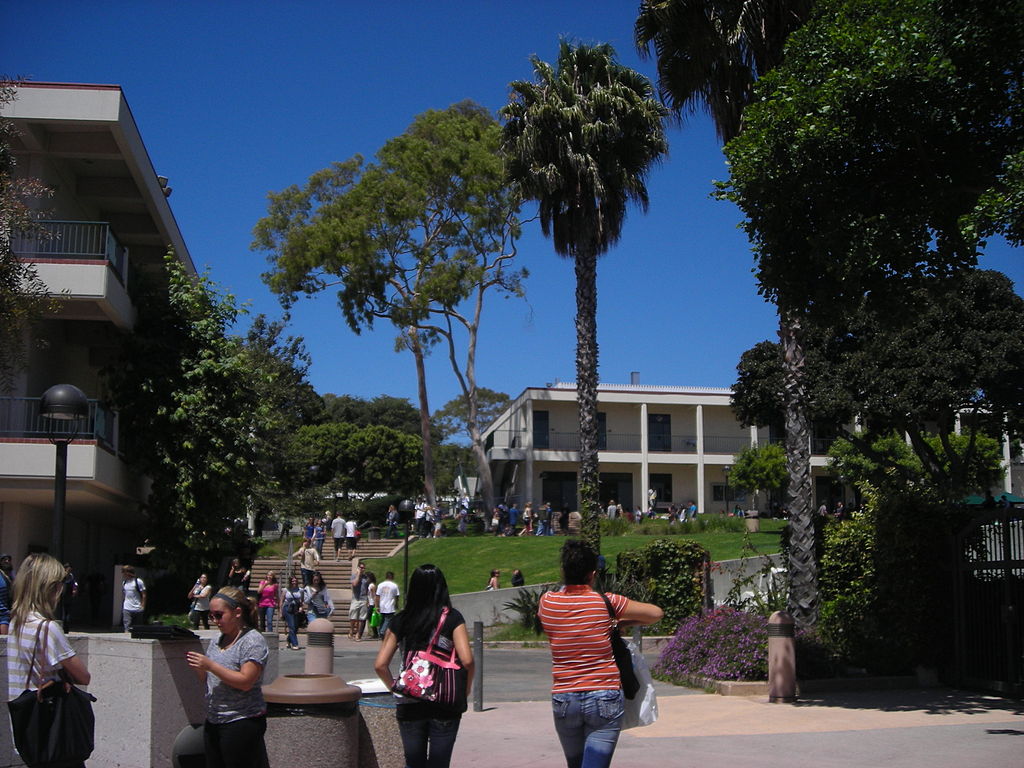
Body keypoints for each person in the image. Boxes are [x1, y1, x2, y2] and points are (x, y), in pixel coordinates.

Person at [539, 540, 663, 768]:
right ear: (592, 574)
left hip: (565, 697)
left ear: (563, 571)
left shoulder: (547, 603)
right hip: (603, 696)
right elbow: (656, 613)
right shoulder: (607, 602)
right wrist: (616, 622)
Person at [373, 564, 474, 768]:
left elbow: (380, 664)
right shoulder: (453, 618)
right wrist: (466, 689)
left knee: (414, 762)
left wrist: (395, 686)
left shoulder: (401, 620)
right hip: (445, 701)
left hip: (410, 701)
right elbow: (468, 660)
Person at [7, 553, 91, 767]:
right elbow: (83, 676)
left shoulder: (16, 622)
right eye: (58, 584)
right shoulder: (48, 628)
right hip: (52, 728)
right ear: (50, 588)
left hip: (27, 723)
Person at [186, 586, 269, 768]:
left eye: (219, 615)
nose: (215, 620)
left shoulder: (252, 641)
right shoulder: (217, 639)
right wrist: (201, 668)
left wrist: (211, 665)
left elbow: (246, 681)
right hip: (215, 719)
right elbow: (210, 680)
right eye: (211, 616)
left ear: (237, 612)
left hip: (242, 721)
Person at [280, 575, 305, 650]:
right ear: (290, 582)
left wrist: (301, 607)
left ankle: (288, 640)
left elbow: (302, 601)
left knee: (296, 627)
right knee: (292, 626)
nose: (294, 582)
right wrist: (280, 612)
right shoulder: (286, 590)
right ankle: (295, 644)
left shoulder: (300, 590)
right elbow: (281, 601)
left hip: (296, 609)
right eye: (293, 581)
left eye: (295, 581)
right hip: (288, 608)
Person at [375, 571, 400, 638]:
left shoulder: (380, 585)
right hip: (390, 605)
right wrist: (396, 603)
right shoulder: (394, 585)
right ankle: (382, 632)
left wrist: (377, 606)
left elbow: (377, 596)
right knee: (388, 620)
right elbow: (397, 596)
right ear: (392, 577)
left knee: (383, 619)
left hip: (382, 605)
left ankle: (381, 631)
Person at [121, 565, 146, 632]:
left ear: (128, 573)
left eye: (123, 572)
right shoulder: (124, 583)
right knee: (127, 627)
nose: (122, 574)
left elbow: (144, 594)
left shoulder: (138, 582)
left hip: (137, 608)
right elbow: (124, 594)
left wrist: (142, 605)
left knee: (138, 628)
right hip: (127, 608)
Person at [350, 562, 371, 640]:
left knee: (362, 618)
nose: (362, 569)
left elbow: (367, 589)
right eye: (361, 568)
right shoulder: (353, 576)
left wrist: (368, 599)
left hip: (363, 599)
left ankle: (358, 635)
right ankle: (352, 630)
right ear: (358, 568)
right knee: (353, 617)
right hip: (355, 598)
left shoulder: (366, 578)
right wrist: (358, 574)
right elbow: (355, 584)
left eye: (363, 568)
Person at [60, 563, 78, 632]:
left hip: (64, 596)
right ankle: (66, 628)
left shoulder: (63, 577)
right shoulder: (71, 577)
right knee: (66, 613)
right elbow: (75, 585)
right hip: (68, 596)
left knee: (64, 613)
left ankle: (64, 628)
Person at [0, 554, 14, 635]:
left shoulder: (11, 575)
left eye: (8, 559)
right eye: (4, 559)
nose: (7, 561)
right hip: (3, 616)